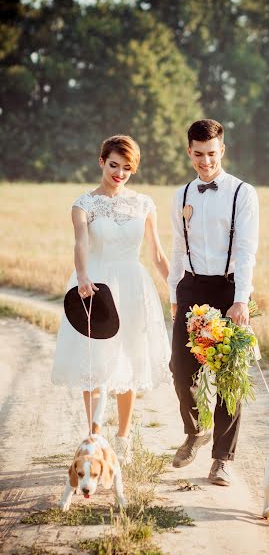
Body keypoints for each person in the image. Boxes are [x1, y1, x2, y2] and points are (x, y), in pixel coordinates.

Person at [52, 135, 171, 464]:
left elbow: (158, 253)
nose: (120, 173)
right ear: (101, 161)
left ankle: (121, 439)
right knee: (93, 363)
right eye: (114, 165)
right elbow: (80, 244)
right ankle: (94, 438)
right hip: (96, 287)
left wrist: (177, 287)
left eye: (127, 168)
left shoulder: (144, 204)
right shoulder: (83, 204)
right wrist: (82, 276)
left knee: (129, 362)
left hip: (133, 287)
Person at [168, 119, 259, 486]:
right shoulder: (181, 195)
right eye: (198, 154)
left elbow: (246, 250)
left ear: (222, 150)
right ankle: (196, 430)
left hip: (228, 289)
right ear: (189, 152)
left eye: (211, 153)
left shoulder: (243, 193)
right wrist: (174, 295)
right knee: (180, 369)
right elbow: (177, 248)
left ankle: (222, 459)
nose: (205, 161)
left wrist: (241, 300)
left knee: (229, 379)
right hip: (190, 290)